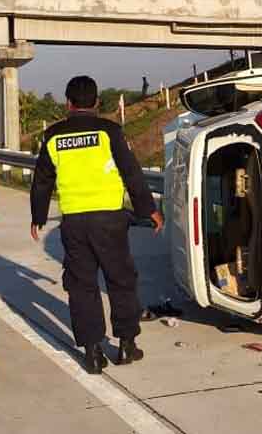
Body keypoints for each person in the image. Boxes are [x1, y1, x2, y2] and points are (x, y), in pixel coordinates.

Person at [30, 76, 164, 374]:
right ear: (97, 102)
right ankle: (127, 345)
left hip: (75, 221)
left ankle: (92, 352)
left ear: (68, 103)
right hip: (110, 219)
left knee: (81, 286)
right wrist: (149, 210)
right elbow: (132, 173)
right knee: (120, 280)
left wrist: (38, 216)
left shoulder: (53, 136)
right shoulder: (109, 132)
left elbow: (41, 181)